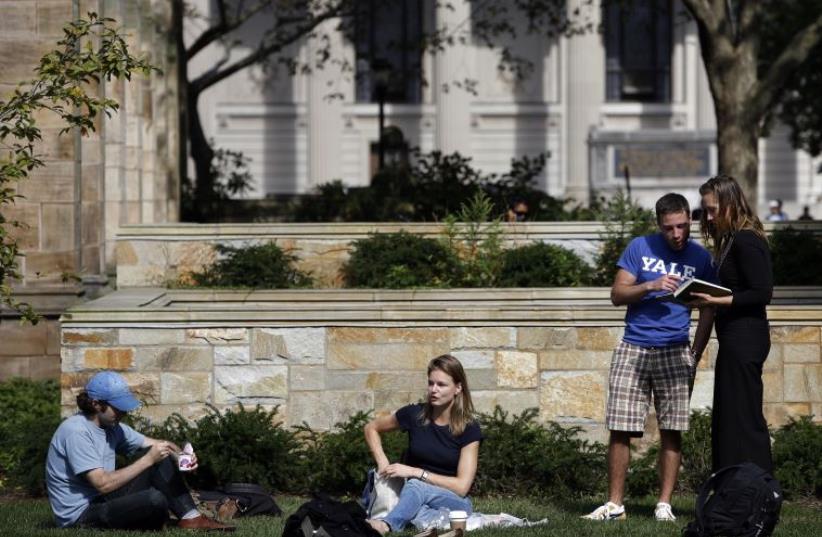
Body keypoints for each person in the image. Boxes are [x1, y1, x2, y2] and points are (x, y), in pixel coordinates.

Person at [583, 193, 716, 522]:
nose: (677, 234)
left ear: (690, 221)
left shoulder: (701, 257)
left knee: (672, 429)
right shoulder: (639, 247)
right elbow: (617, 295)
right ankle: (615, 505)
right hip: (634, 346)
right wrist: (651, 285)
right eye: (670, 228)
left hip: (675, 348)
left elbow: (710, 307)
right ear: (659, 224)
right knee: (620, 427)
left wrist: (695, 351)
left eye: (683, 226)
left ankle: (664, 505)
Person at [45, 371, 234, 531]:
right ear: (96, 404)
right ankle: (157, 516)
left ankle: (191, 518)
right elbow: (102, 484)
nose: (124, 413)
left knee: (159, 455)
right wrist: (147, 461)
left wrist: (181, 457)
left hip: (102, 500)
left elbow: (160, 445)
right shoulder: (76, 431)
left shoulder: (112, 426)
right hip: (81, 515)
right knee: (154, 499)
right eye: (118, 408)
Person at [691, 175, 774, 473]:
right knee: (730, 415)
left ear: (730, 203)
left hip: (746, 337)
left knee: (744, 417)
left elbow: (761, 293)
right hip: (733, 338)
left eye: (713, 209)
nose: (709, 217)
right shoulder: (730, 240)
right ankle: (732, 485)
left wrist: (715, 301)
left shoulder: (746, 239)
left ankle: (757, 488)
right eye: (706, 211)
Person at [364, 355, 482, 534]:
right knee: (415, 500)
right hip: (414, 497)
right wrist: (382, 463)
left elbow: (462, 487)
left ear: (458, 388)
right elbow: (371, 427)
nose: (434, 390)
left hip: (455, 502)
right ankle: (431, 527)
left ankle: (386, 525)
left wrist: (417, 473)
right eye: (431, 383)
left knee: (416, 485)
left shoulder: (469, 428)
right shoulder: (415, 414)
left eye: (441, 385)